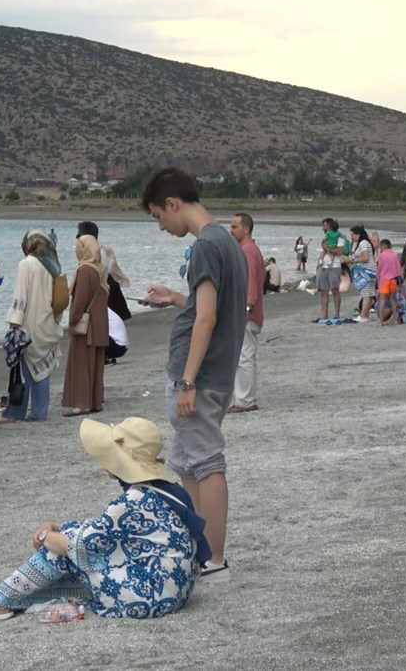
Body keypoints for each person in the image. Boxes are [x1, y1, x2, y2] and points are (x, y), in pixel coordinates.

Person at [0, 417, 209, 622]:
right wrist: (59, 528)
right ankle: (4, 600)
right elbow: (102, 530)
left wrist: (46, 537)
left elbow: (76, 545)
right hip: (177, 589)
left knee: (58, 555)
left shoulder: (131, 500)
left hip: (149, 597)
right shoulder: (166, 489)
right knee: (75, 548)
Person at [142, 167, 245, 583]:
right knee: (187, 460)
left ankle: (215, 559)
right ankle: (200, 548)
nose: (161, 227)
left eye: (158, 217)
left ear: (172, 203)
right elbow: (210, 307)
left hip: (201, 376)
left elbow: (207, 318)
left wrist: (187, 382)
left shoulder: (206, 245)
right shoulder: (227, 242)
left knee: (206, 460)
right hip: (214, 371)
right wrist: (176, 299)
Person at [0, 230, 63, 423]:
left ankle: (15, 412)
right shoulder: (52, 264)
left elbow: (21, 295)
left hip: (30, 322)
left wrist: (14, 321)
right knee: (41, 369)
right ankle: (39, 411)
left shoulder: (26, 264)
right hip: (47, 322)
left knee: (23, 370)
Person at [61, 235, 109, 417]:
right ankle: (95, 401)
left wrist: (72, 321)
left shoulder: (84, 270)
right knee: (95, 364)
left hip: (86, 325)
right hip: (99, 322)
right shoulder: (99, 269)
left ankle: (81, 403)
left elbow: (79, 300)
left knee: (81, 363)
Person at [228, 213, 263, 414]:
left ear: (246, 229)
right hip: (248, 311)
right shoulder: (250, 250)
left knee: (244, 356)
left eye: (234, 227)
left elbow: (250, 281)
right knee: (244, 356)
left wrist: (247, 307)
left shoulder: (248, 251)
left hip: (246, 312)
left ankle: (245, 400)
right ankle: (243, 398)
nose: (231, 231)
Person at [76, 221, 132, 321]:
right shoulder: (98, 253)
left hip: (100, 305)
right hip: (105, 302)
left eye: (79, 236)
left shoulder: (93, 258)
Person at [344, 225, 377, 322]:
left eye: (353, 235)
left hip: (366, 271)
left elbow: (365, 258)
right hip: (370, 270)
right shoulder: (365, 243)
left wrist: (352, 260)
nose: (352, 237)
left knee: (366, 293)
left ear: (359, 234)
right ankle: (365, 315)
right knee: (369, 293)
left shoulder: (363, 243)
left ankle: (363, 316)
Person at [316, 218, 344, 319]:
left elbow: (340, 251)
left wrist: (327, 248)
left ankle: (337, 314)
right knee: (323, 291)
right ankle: (324, 315)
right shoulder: (326, 236)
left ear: (329, 226)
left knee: (335, 290)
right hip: (323, 265)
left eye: (324, 226)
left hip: (334, 265)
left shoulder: (339, 236)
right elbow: (324, 247)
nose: (323, 228)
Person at [375, 239, 402, 325]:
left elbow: (379, 269)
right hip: (393, 280)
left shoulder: (382, 255)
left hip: (384, 280)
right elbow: (398, 268)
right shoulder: (394, 254)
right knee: (392, 300)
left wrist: (377, 279)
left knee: (382, 300)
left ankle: (381, 321)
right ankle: (395, 319)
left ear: (383, 246)